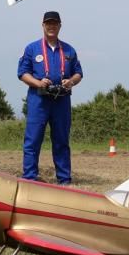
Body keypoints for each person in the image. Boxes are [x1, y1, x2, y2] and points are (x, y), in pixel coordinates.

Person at [17, 10, 83, 185]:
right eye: (48, 23)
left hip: (61, 100)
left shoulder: (69, 49)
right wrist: (38, 83)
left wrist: (70, 81)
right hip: (39, 100)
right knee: (33, 140)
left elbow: (78, 73)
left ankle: (64, 179)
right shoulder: (32, 48)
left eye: (55, 23)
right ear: (43, 25)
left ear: (60, 26)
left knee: (61, 140)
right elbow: (22, 73)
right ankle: (30, 177)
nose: (51, 26)